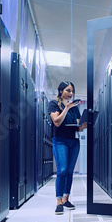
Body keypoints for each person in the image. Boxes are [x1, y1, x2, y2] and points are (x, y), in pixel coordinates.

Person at [48, 81, 87, 214]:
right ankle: (58, 201)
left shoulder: (75, 107)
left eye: (72, 91)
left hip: (73, 141)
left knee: (69, 171)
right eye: (68, 90)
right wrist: (67, 108)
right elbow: (57, 122)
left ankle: (66, 199)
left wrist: (83, 125)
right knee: (62, 170)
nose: (71, 93)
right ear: (61, 91)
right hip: (60, 141)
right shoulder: (54, 104)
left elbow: (78, 127)